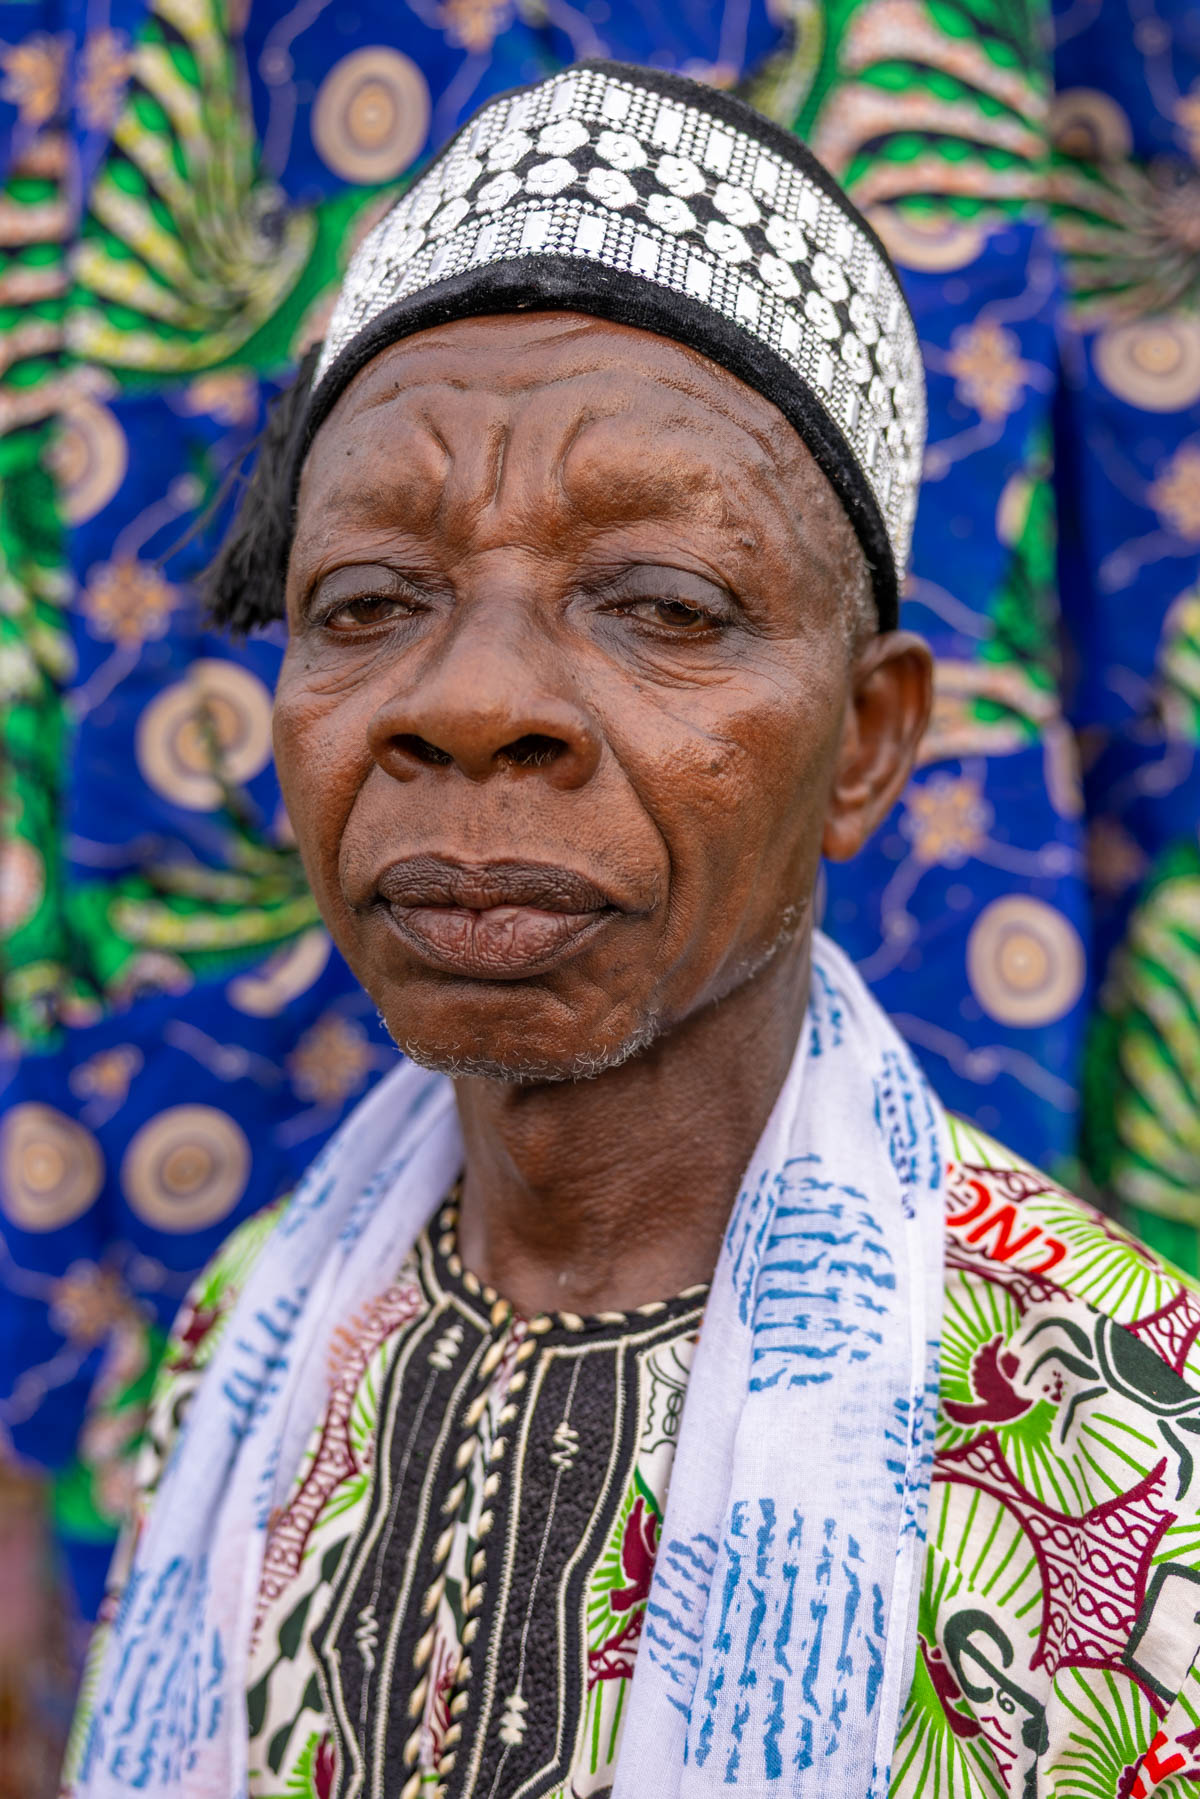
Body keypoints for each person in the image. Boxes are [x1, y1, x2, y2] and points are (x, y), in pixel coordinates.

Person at [63, 60, 1200, 1799]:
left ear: (868, 742)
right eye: (367, 602)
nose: (472, 702)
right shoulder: (247, 1338)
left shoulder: (1130, 1447)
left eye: (659, 604)